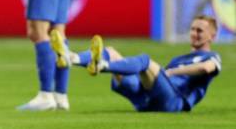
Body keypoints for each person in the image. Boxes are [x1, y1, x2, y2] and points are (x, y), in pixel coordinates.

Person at [50, 15, 222, 112]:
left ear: (212, 36)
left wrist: (171, 72)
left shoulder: (212, 57)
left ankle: (102, 66)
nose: (194, 33)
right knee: (111, 52)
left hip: (173, 102)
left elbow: (206, 68)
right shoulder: (179, 59)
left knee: (145, 61)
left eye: (200, 30)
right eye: (192, 29)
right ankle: (72, 58)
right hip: (145, 97)